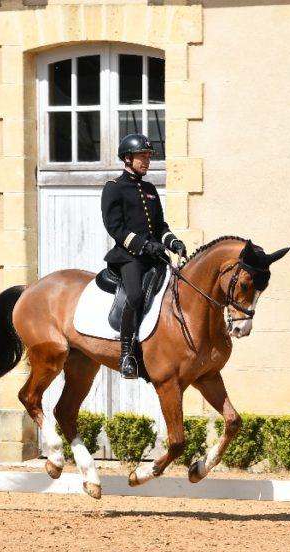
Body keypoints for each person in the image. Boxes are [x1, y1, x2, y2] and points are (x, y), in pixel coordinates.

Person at [101, 133, 187, 379]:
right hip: (129, 257)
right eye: (142, 157)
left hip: (153, 256)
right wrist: (143, 246)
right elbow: (115, 228)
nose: (147, 161)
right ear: (127, 158)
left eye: (149, 157)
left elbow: (159, 226)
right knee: (136, 296)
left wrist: (173, 242)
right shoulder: (114, 188)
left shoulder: (150, 189)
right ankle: (127, 355)